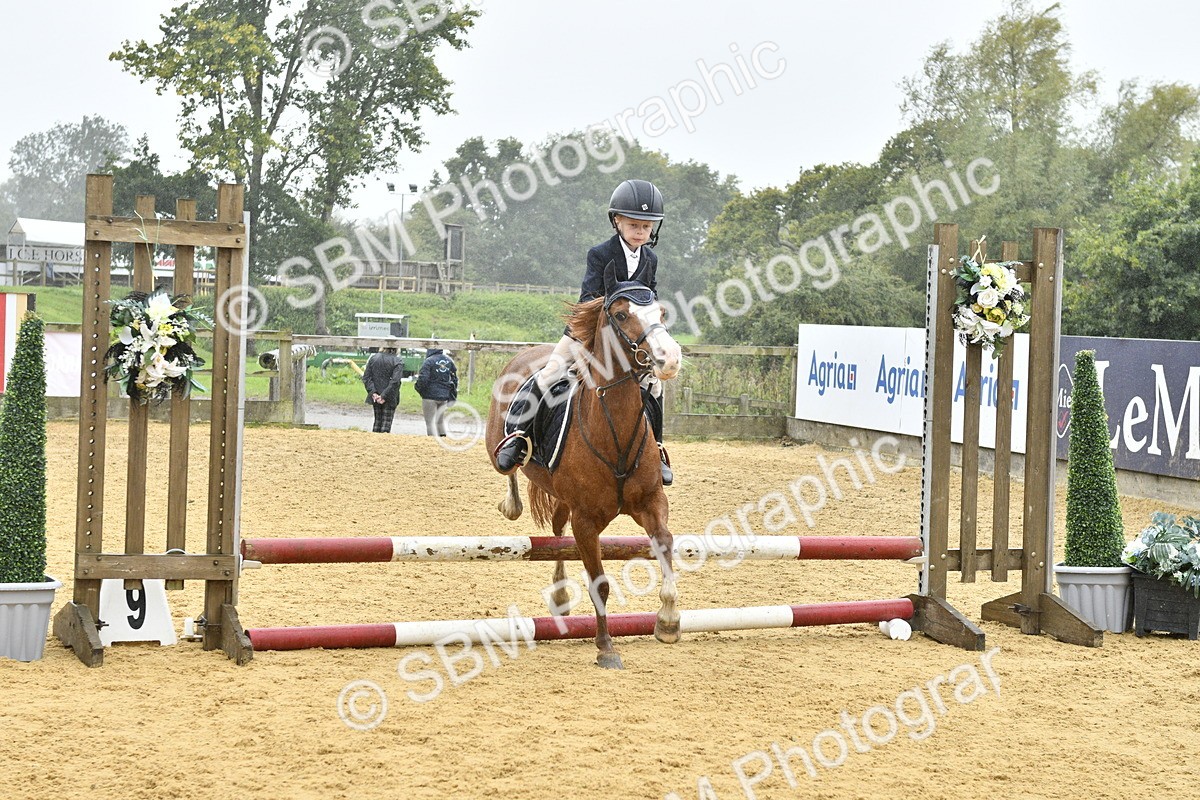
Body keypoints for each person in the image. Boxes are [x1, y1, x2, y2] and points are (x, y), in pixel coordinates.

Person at [494, 178, 673, 485]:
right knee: (550, 373)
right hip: (588, 331)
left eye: (646, 227)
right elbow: (589, 298)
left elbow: (649, 297)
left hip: (628, 339)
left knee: (656, 386)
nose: (641, 232)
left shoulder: (650, 259)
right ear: (616, 221)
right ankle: (518, 436)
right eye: (634, 225)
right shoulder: (600, 253)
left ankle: (656, 446)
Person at [362, 340, 405, 433]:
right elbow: (395, 381)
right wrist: (384, 396)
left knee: (377, 422)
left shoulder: (373, 358)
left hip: (375, 396)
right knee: (386, 424)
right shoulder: (398, 361)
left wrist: (373, 393)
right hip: (390, 396)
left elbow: (366, 378)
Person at [414, 348, 458, 436]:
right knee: (440, 422)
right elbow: (454, 379)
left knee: (430, 423)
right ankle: (443, 440)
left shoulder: (428, 361)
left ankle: (432, 443)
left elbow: (423, 379)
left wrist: (418, 388)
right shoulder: (449, 360)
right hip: (444, 396)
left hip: (429, 396)